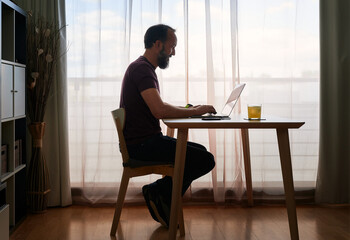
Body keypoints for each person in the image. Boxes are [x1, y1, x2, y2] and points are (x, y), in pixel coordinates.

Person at [119, 24, 216, 227]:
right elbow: (160, 111)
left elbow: (159, 107)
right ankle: (158, 192)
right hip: (143, 146)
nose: (173, 53)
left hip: (145, 142)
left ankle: (161, 195)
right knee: (205, 159)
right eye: (172, 47)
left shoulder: (143, 68)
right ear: (158, 44)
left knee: (200, 153)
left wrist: (188, 109)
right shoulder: (142, 70)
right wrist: (195, 111)